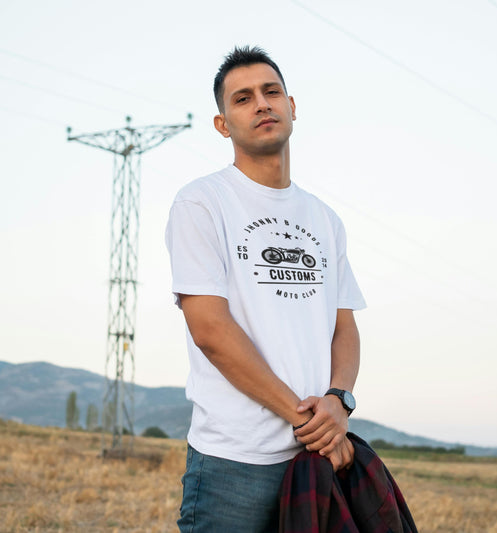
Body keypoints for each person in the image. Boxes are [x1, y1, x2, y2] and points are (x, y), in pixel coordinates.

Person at [165, 45, 366, 533]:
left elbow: (345, 327)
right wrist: (309, 423)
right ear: (222, 124)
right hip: (235, 462)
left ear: (292, 106)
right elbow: (211, 330)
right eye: (243, 98)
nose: (262, 104)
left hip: (315, 461)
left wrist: (339, 400)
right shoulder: (202, 203)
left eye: (271, 91)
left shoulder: (324, 218)